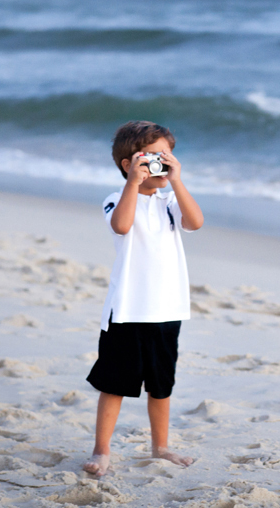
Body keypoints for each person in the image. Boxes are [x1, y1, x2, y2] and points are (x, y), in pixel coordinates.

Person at [83, 120, 204, 476]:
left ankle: (161, 445)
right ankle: (101, 449)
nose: (161, 164)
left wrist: (177, 180)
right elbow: (121, 225)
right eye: (151, 158)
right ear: (129, 164)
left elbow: (195, 222)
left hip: (167, 309)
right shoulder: (116, 199)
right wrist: (133, 185)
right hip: (128, 311)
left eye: (166, 156)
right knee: (114, 384)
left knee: (161, 385)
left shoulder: (170, 200)